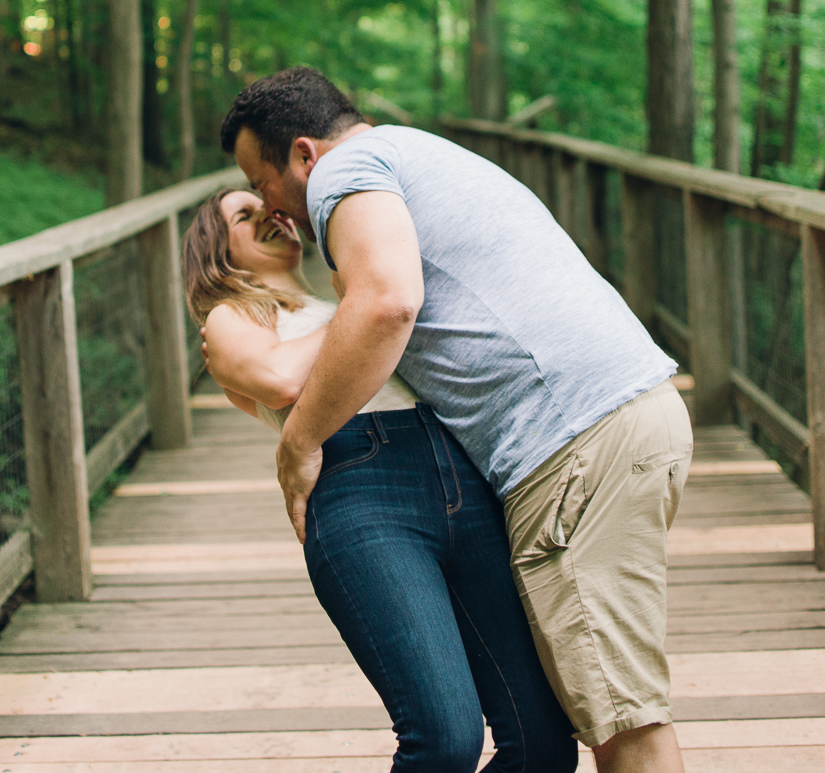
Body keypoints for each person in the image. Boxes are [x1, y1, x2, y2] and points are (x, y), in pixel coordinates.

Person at [219, 67, 692, 773]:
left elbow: (385, 302)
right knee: (596, 716)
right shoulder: (420, 153)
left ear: (306, 155)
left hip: (573, 441)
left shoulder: (348, 171)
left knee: (625, 724)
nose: (273, 206)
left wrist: (301, 438)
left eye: (264, 182)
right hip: (617, 417)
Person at [183, 186, 577, 773]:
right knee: (445, 741)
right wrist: (364, 309)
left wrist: (361, 304)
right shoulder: (232, 318)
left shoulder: (340, 299)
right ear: (218, 251)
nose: (271, 214)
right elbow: (279, 376)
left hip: (460, 471)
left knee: (542, 742)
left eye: (269, 205)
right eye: (245, 214)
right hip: (363, 492)